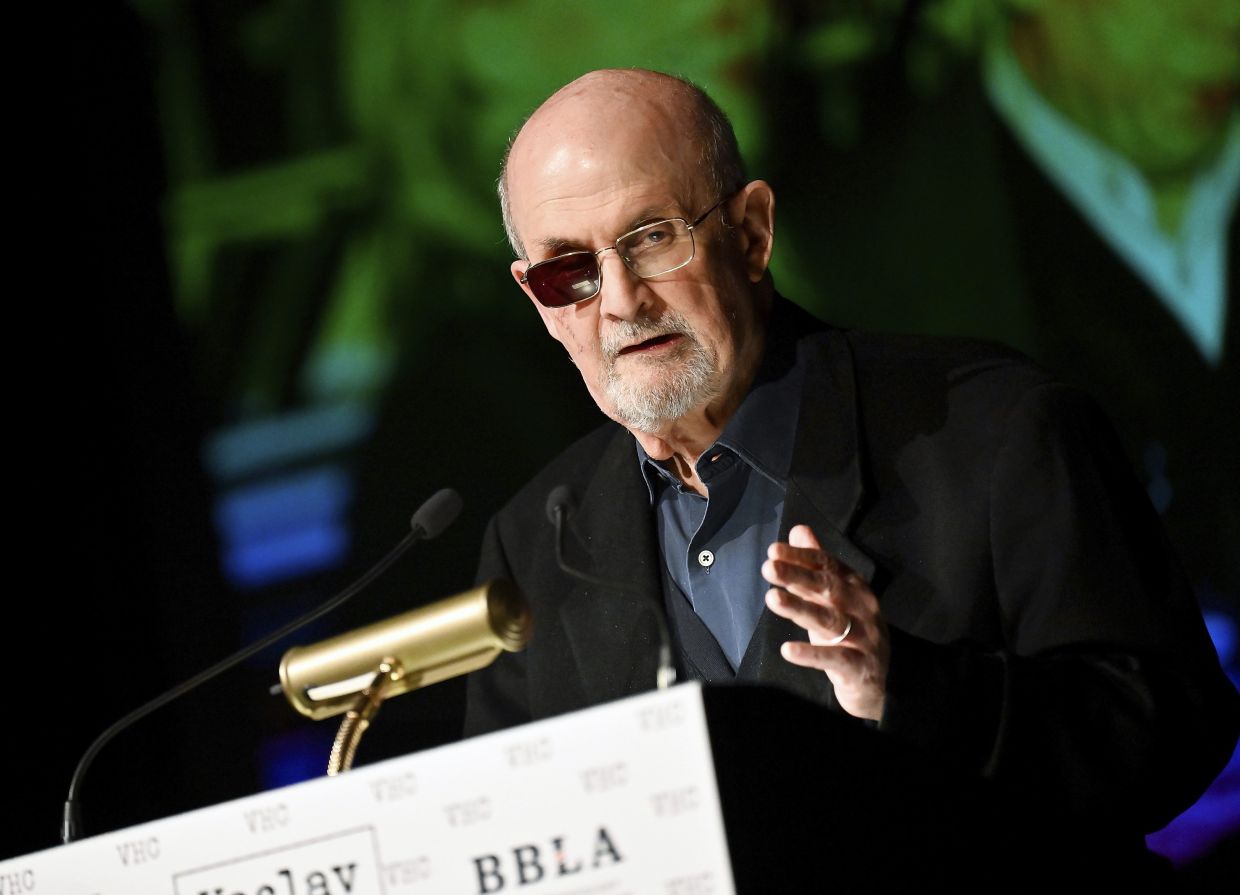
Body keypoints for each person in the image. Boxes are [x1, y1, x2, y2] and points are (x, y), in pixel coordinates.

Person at [462, 67, 1240, 877]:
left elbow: (1174, 732)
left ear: (753, 233)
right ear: (539, 301)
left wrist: (913, 687)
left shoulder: (996, 429)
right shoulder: (533, 545)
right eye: (569, 271)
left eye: (653, 236)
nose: (619, 299)